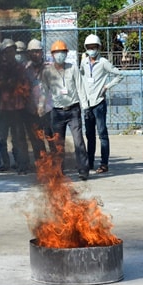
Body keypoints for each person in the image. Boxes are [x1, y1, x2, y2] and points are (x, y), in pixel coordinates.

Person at [40, 40, 89, 180]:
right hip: (57, 112)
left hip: (73, 109)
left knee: (78, 140)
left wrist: (85, 106)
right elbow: (44, 90)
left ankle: (83, 169)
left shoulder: (73, 68)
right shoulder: (47, 72)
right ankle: (59, 171)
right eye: (57, 53)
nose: (60, 55)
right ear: (52, 55)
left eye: (62, 52)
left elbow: (80, 87)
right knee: (58, 143)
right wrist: (41, 106)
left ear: (66, 54)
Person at [81, 34, 124, 174]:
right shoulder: (84, 63)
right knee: (89, 135)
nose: (91, 50)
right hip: (87, 104)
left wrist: (106, 87)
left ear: (98, 48)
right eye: (89, 47)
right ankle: (90, 162)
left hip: (99, 102)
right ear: (86, 48)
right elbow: (81, 78)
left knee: (102, 134)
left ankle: (104, 163)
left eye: (94, 47)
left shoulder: (103, 62)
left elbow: (119, 75)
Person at [0, 38, 30, 175]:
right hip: (4, 107)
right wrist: (11, 83)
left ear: (15, 51)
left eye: (11, 51)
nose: (8, 54)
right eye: (6, 52)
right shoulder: (1, 68)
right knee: (1, 137)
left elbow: (25, 86)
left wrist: (12, 84)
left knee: (18, 137)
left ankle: (21, 164)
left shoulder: (20, 67)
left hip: (17, 107)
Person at [24, 38, 54, 161]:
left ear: (42, 52)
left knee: (50, 137)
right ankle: (41, 164)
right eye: (32, 52)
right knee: (36, 139)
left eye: (37, 51)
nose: (34, 54)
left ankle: (55, 163)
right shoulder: (26, 69)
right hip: (32, 110)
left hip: (47, 109)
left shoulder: (49, 67)